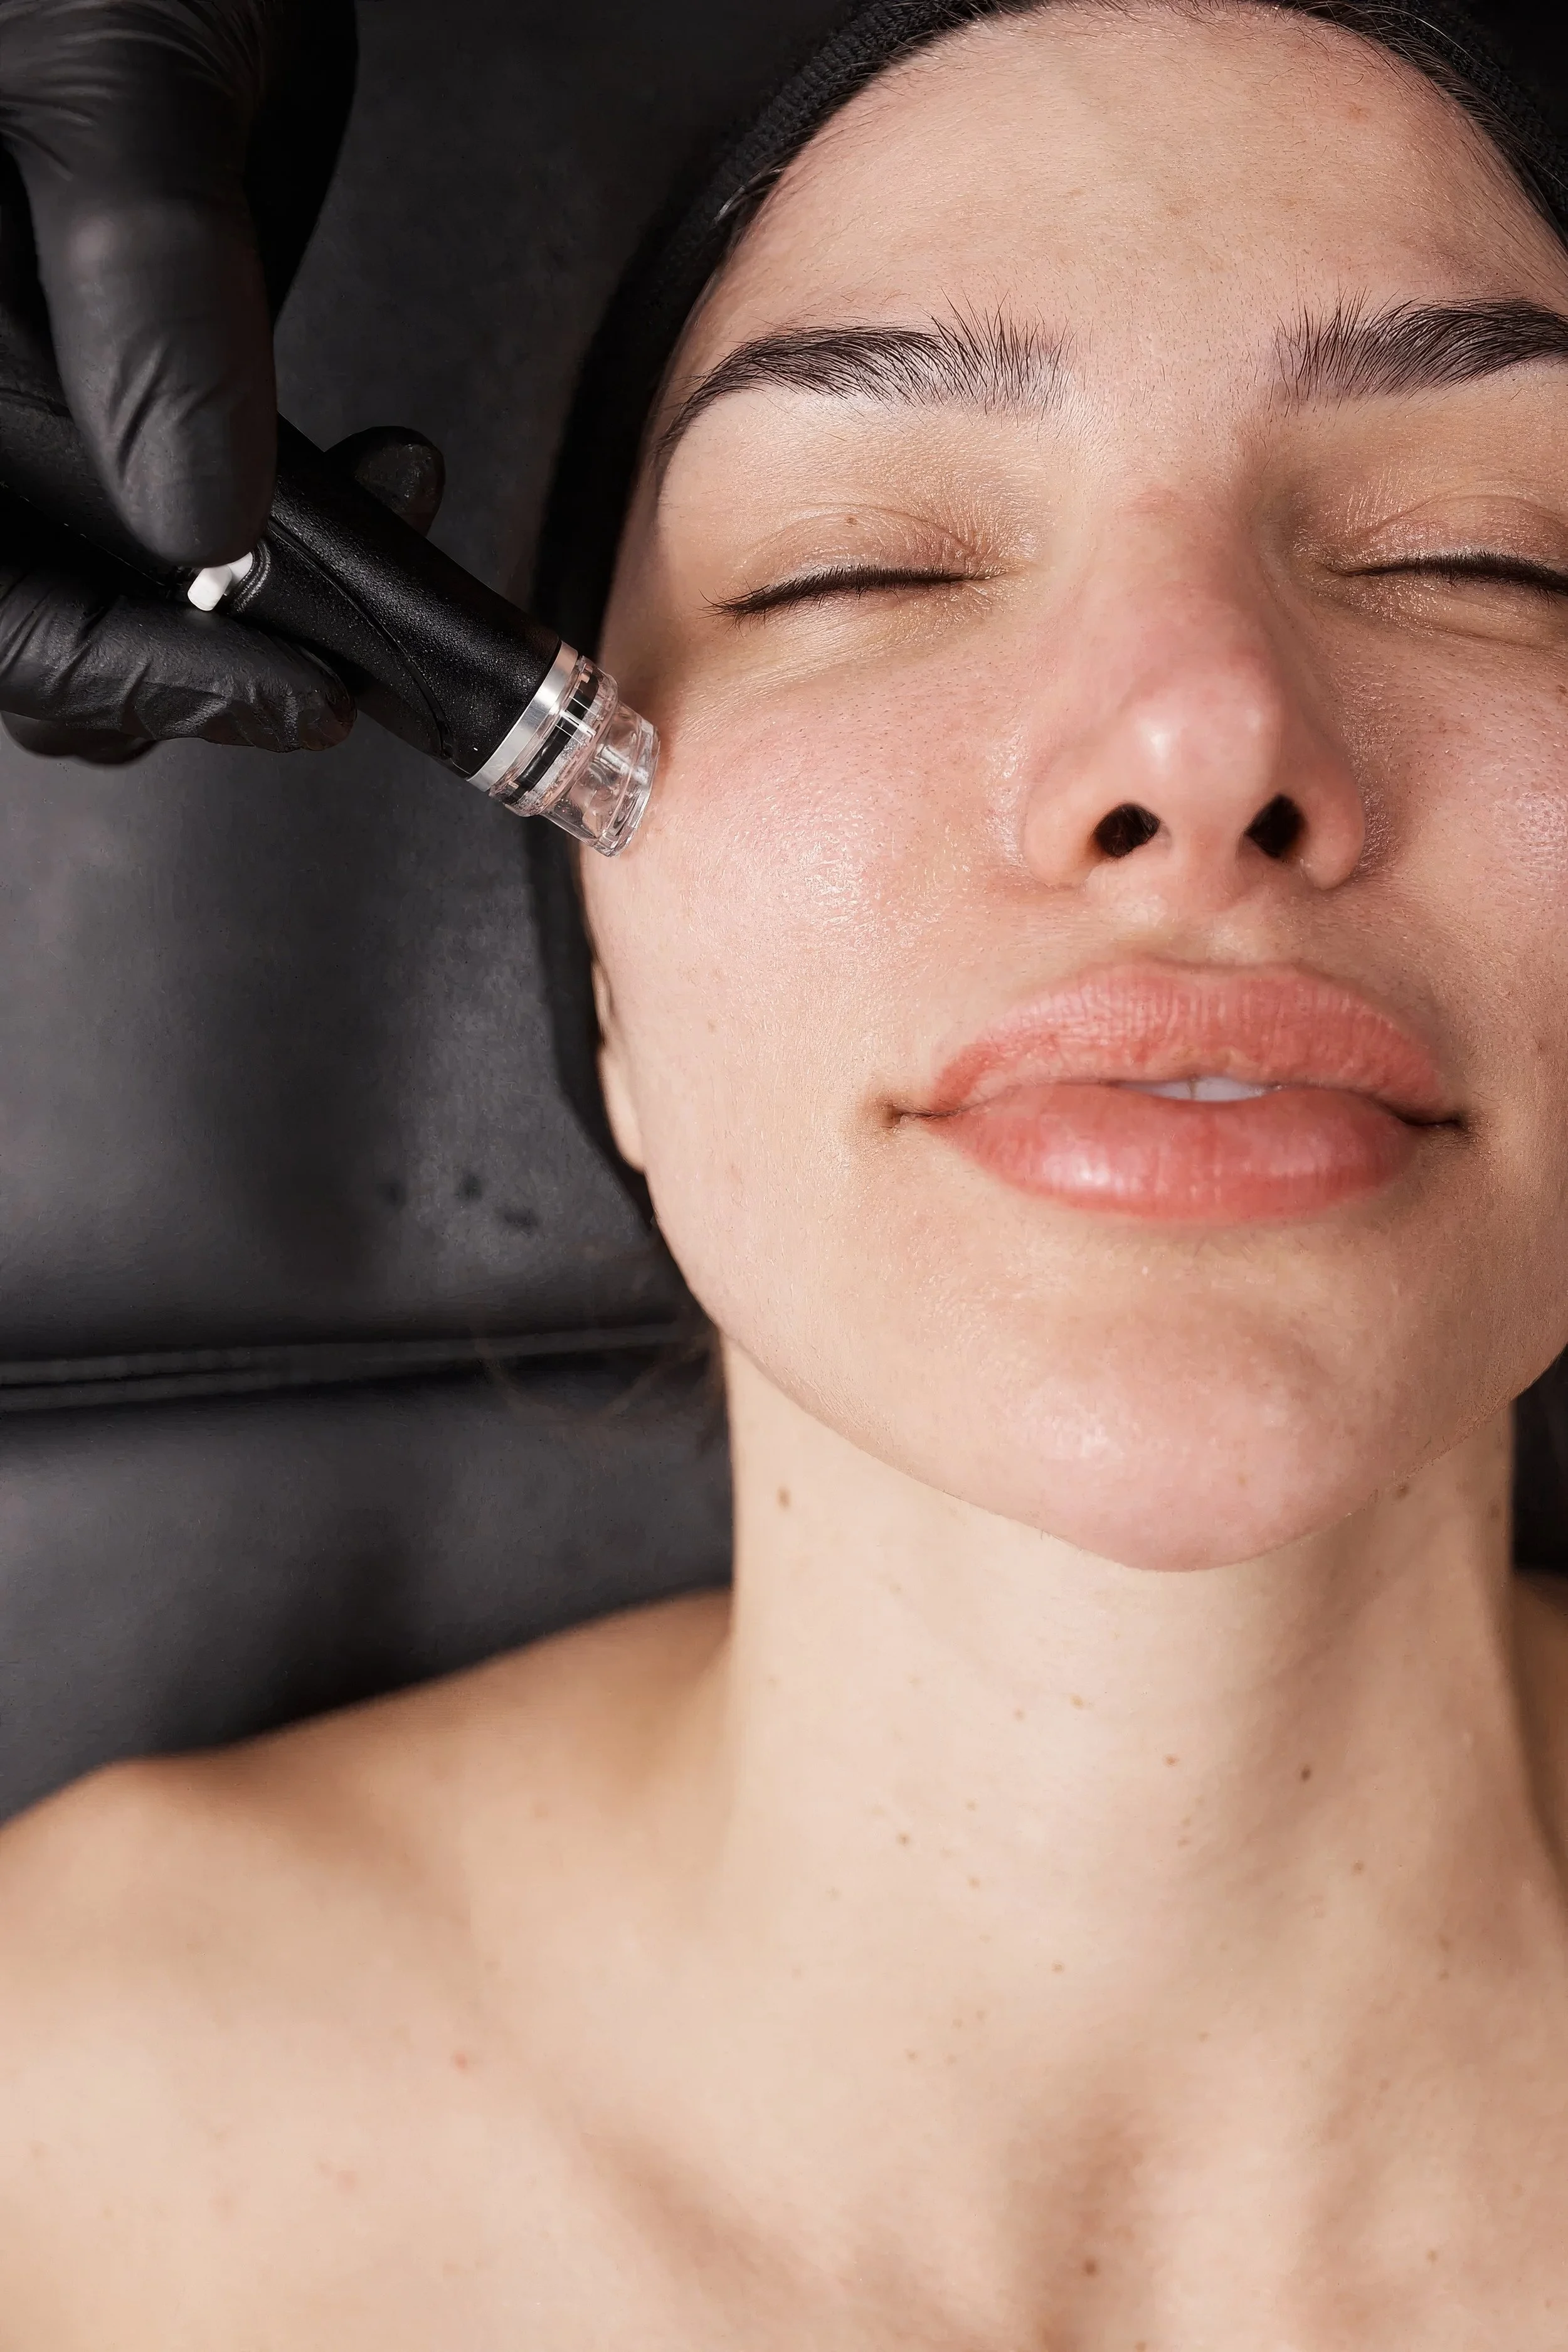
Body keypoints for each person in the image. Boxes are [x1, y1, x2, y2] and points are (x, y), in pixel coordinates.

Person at [5, 0, 1568, 2341]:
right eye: (865, 568)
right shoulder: (63, 2142)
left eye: (1482, 556)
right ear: (607, 989)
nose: (1199, 733)